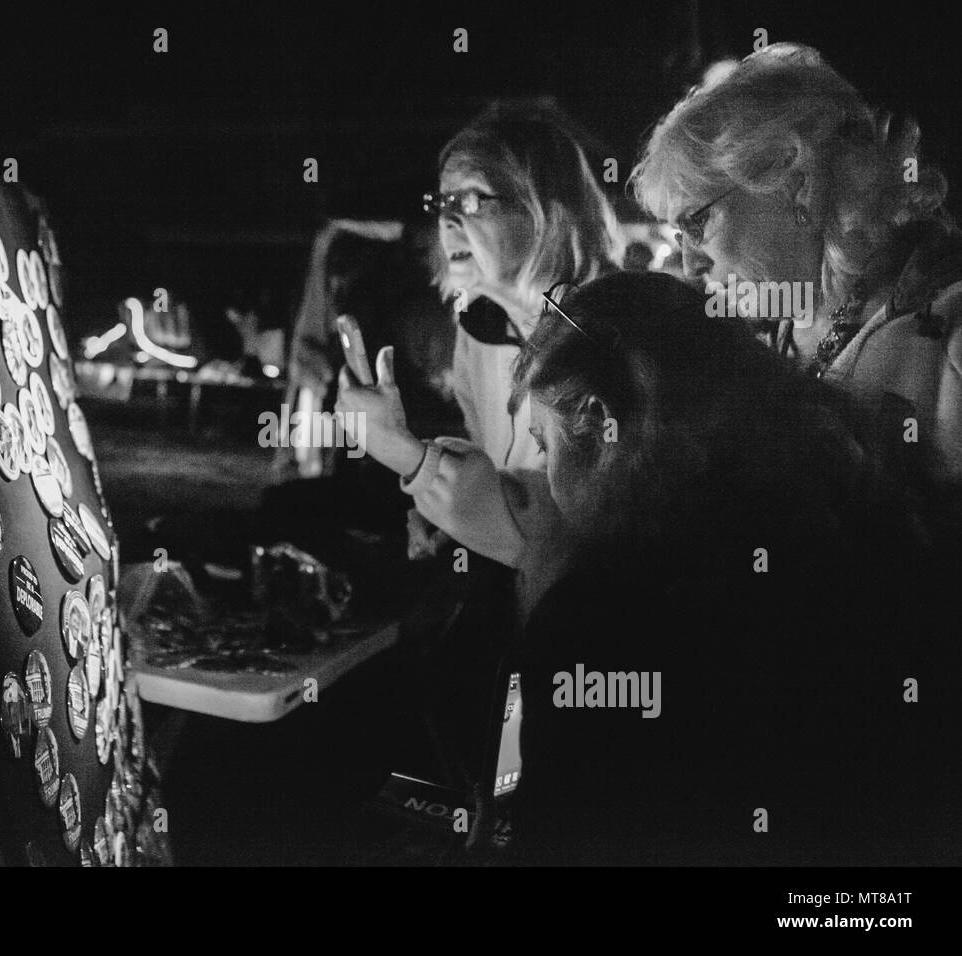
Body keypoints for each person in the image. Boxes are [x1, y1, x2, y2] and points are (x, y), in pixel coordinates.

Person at [502, 271, 962, 865]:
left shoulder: (599, 621)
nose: (543, 476)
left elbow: (537, 825)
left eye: (544, 444)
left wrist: (535, 586)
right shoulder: (857, 503)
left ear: (601, 422)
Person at [337, 101, 623, 624]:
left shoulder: (606, 338)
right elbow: (502, 476)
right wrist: (449, 517)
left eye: (472, 200)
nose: (446, 220)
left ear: (546, 211)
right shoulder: (480, 332)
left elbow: (563, 532)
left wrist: (411, 459)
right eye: (442, 201)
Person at [630, 42, 962, 484]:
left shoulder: (952, 329)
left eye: (696, 222)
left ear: (794, 181)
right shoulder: (770, 340)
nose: (689, 264)